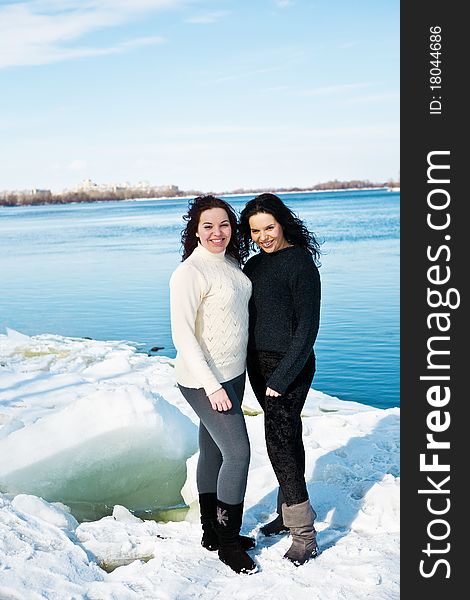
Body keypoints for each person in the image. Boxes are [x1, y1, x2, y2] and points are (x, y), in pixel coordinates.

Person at [169, 195, 257, 575]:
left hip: (232, 374)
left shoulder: (230, 264)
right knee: (237, 453)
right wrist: (212, 386)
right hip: (203, 379)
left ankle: (210, 530)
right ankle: (228, 542)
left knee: (215, 451)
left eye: (224, 225)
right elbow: (183, 337)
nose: (217, 232)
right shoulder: (189, 273)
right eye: (208, 226)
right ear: (195, 230)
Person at [239, 193, 322, 566]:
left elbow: (307, 328)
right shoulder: (255, 266)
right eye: (255, 231)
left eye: (268, 228)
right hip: (258, 366)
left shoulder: (301, 264)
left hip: (290, 366)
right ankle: (285, 513)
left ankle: (304, 535)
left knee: (278, 442)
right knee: (288, 435)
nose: (263, 236)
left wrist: (283, 375)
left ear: (283, 223)